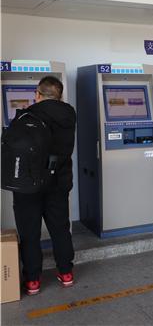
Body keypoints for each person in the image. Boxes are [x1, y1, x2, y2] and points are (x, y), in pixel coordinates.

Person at [10, 76, 76, 295]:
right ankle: (66, 273)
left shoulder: (27, 115)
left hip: (30, 184)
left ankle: (33, 280)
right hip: (59, 182)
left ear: (37, 94)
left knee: (30, 232)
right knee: (60, 228)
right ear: (59, 96)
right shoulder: (69, 114)